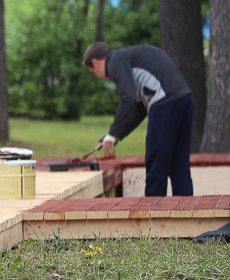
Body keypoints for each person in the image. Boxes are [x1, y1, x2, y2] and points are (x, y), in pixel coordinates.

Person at [82, 41, 194, 197]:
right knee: (179, 166)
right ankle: (187, 213)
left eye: (93, 71)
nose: (98, 76)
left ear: (96, 62)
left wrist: (113, 132)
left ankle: (153, 215)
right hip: (184, 100)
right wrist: (116, 135)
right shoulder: (128, 59)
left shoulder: (115, 61)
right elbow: (138, 108)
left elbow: (127, 98)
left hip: (165, 103)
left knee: (156, 166)